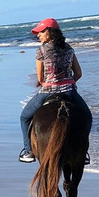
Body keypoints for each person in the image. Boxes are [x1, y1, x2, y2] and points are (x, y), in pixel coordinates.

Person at [18, 17, 93, 163]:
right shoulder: (69, 48)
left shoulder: (41, 51)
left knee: (24, 117)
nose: (38, 35)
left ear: (50, 32)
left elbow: (40, 78)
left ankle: (28, 151)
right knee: (87, 117)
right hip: (69, 91)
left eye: (41, 31)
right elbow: (78, 73)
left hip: (48, 92)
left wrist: (51, 84)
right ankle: (82, 152)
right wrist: (68, 82)